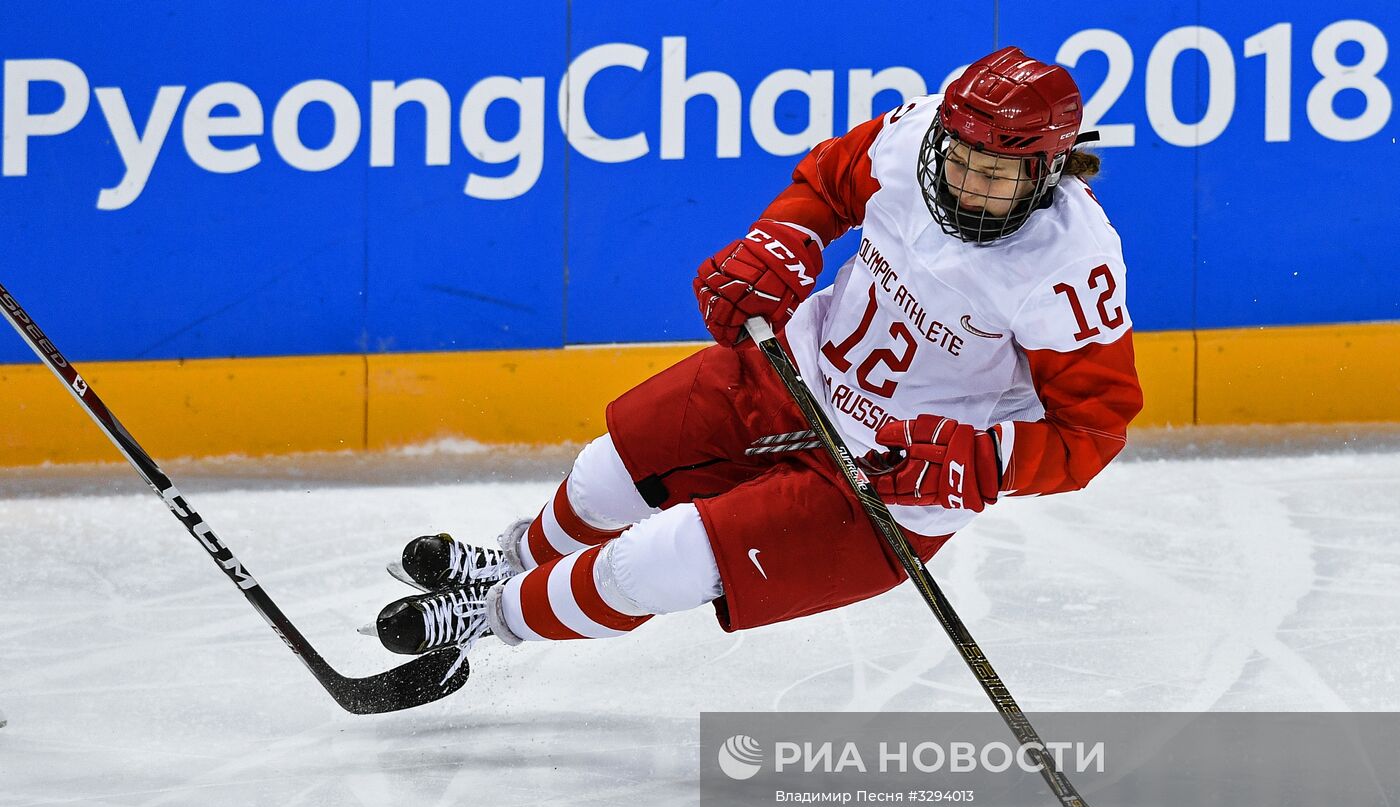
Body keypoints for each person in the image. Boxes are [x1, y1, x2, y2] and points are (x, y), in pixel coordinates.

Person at [362, 46, 1144, 658]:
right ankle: (509, 561)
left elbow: (1091, 433)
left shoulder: (1072, 267)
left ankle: (490, 617)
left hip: (889, 475)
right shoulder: (918, 135)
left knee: (652, 565)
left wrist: (980, 463)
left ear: (1045, 169)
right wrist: (781, 243)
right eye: (960, 159)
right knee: (610, 468)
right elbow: (830, 184)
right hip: (793, 370)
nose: (964, 182)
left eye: (993, 174)